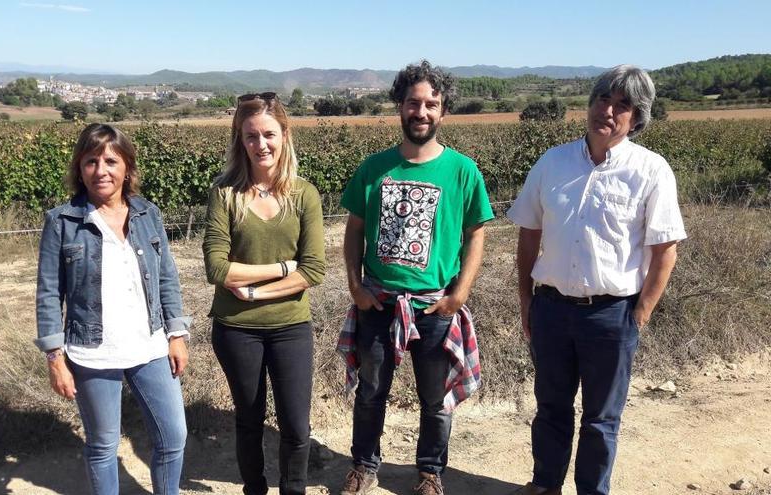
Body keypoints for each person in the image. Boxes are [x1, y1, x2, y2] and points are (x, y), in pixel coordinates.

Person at [507, 65, 687, 495]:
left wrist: (639, 313)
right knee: (550, 408)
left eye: (622, 105)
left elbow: (665, 250)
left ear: (637, 117)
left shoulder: (651, 170)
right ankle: (545, 485)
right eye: (602, 99)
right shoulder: (553, 162)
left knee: (601, 419)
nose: (607, 111)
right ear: (588, 105)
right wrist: (527, 299)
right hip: (551, 308)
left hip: (611, 314)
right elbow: (529, 231)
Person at [337, 61, 494, 495]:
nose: (421, 112)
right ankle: (364, 466)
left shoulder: (463, 171)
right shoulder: (374, 168)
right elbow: (352, 231)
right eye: (413, 103)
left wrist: (459, 295)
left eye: (431, 104)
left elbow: (476, 234)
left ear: (443, 111)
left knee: (435, 400)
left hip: (435, 307)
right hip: (379, 303)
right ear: (399, 107)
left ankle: (429, 471)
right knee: (370, 394)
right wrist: (355, 285)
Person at [35, 123, 191, 495]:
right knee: (104, 445)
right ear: (79, 168)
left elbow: (167, 277)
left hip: (150, 345)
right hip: (93, 351)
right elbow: (48, 293)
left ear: (126, 166)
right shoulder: (62, 222)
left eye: (110, 160)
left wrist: (177, 333)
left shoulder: (147, 213)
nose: (100, 170)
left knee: (173, 436)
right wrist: (55, 358)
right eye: (91, 161)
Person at [202, 92, 326, 495]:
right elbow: (217, 268)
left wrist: (252, 292)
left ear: (285, 135)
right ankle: (253, 489)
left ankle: (294, 490)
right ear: (240, 139)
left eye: (269, 134)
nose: (261, 144)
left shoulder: (304, 195)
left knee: (295, 423)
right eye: (251, 135)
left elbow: (314, 270)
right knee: (249, 419)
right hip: (236, 329)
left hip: (290, 326)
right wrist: (282, 269)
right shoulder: (224, 193)